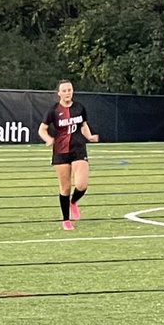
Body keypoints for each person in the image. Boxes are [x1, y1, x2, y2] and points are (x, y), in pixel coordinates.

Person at [38, 80, 99, 230]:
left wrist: (89, 137)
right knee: (65, 187)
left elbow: (83, 125)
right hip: (61, 151)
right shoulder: (53, 111)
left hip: (78, 149)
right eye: (64, 90)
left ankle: (73, 202)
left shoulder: (79, 108)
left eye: (69, 90)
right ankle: (66, 220)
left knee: (81, 185)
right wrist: (48, 139)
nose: (67, 93)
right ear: (59, 93)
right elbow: (42, 129)